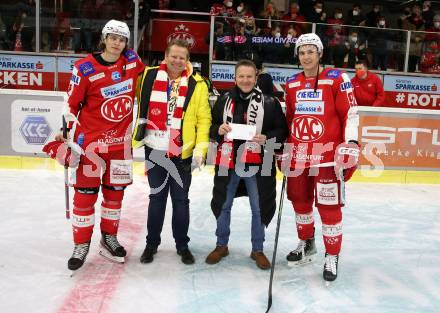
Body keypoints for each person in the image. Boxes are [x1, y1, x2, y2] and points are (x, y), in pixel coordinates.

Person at [42, 20, 145, 271]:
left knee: (114, 196)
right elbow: (70, 105)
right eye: (112, 37)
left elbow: (150, 75)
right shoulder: (85, 67)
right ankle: (81, 244)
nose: (116, 42)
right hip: (90, 147)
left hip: (119, 146)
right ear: (104, 38)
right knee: (85, 197)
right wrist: (67, 132)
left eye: (121, 39)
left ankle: (108, 239)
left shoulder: (132, 61)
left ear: (126, 43)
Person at [283, 33, 359, 281]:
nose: (306, 56)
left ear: (320, 53)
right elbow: (290, 119)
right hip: (299, 156)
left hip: (327, 158)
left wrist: (351, 142)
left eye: (310, 51)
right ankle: (307, 244)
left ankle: (332, 255)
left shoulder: (337, 79)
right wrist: (285, 147)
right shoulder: (292, 83)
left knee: (329, 208)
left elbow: (350, 112)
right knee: (300, 203)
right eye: (302, 52)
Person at [133, 39, 212, 265]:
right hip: (155, 149)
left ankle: (182, 245)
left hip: (182, 153)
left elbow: (204, 120)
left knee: (180, 201)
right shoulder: (147, 76)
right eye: (174, 56)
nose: (177, 61)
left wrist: (200, 150)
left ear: (188, 60)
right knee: (156, 198)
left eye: (182, 57)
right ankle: (151, 244)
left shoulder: (198, 84)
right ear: (165, 56)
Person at [206, 59, 288, 270]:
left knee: (258, 207)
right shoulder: (223, 99)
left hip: (258, 163)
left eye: (249, 76)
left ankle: (257, 249)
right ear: (235, 77)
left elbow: (282, 132)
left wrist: (266, 137)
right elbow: (212, 125)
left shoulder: (269, 102)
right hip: (228, 161)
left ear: (256, 78)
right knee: (224, 205)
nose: (245, 80)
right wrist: (219, 130)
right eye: (241, 76)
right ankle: (221, 244)